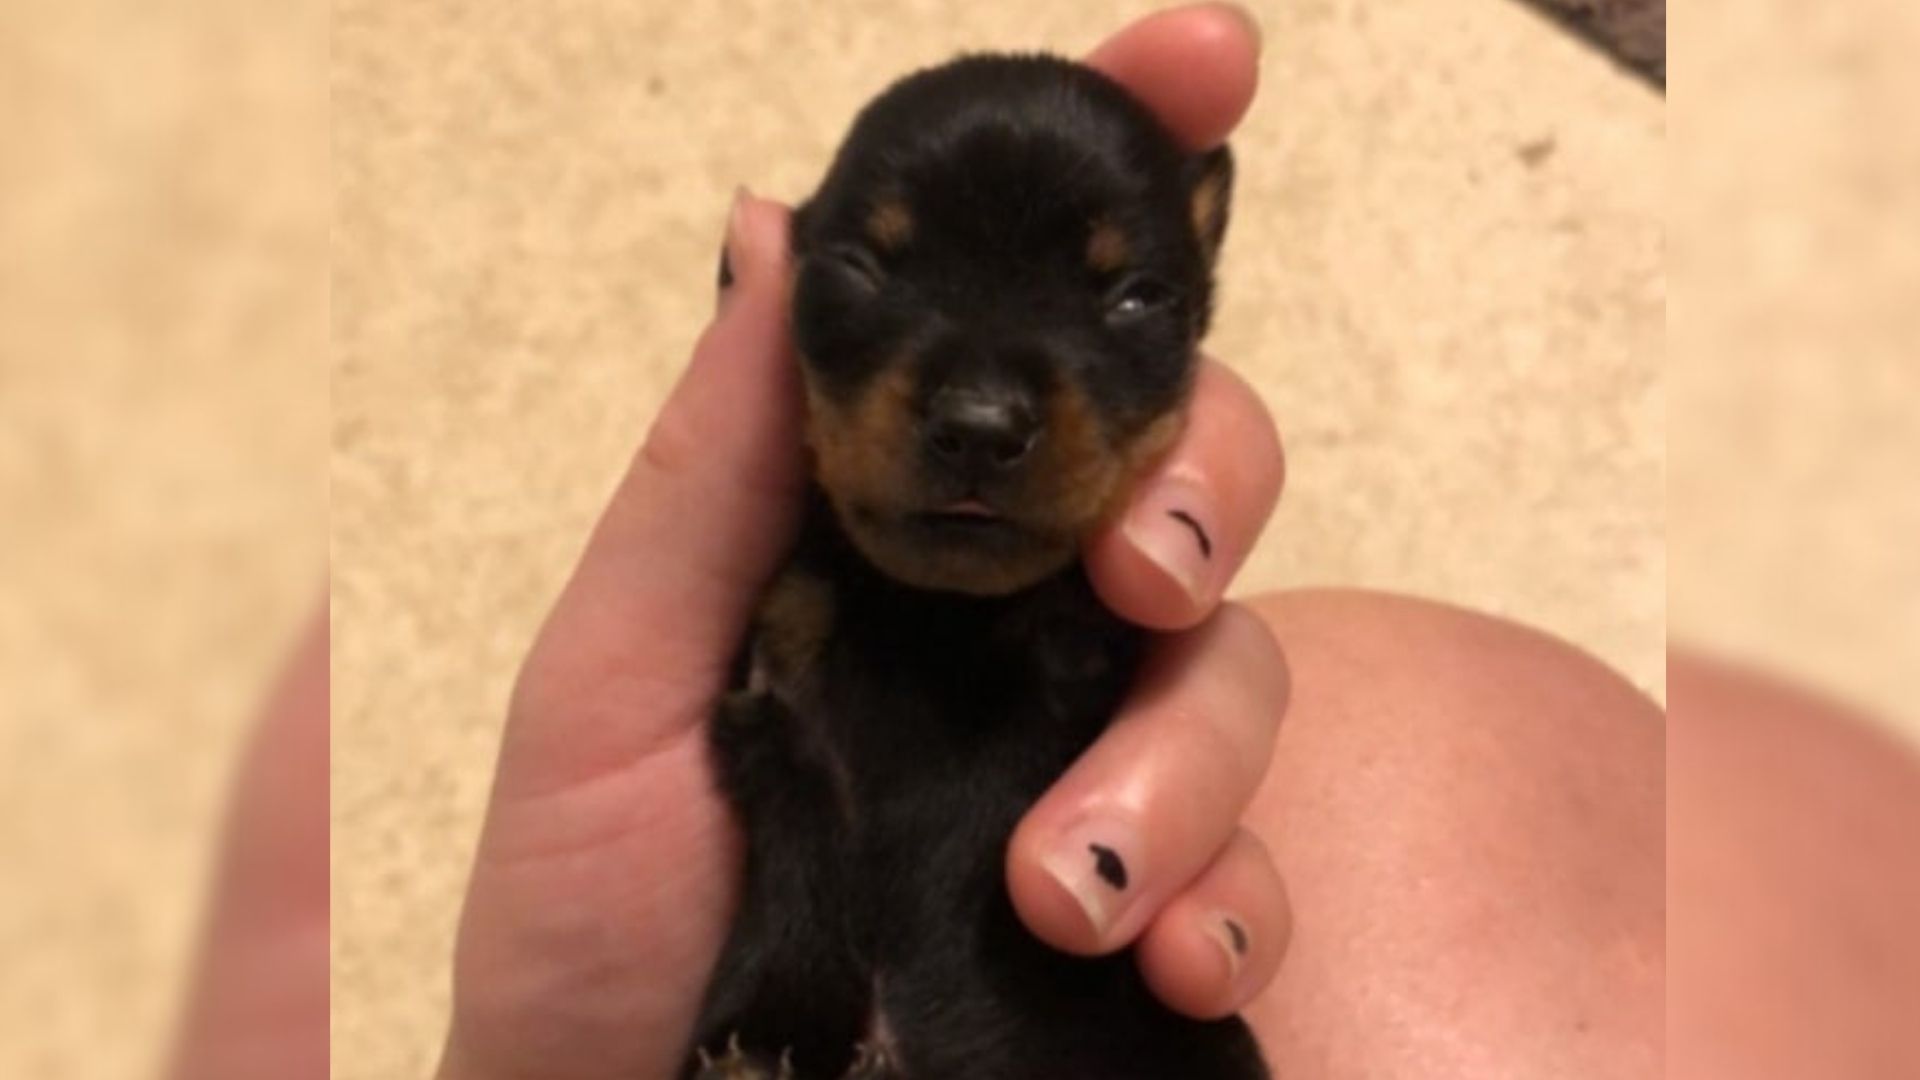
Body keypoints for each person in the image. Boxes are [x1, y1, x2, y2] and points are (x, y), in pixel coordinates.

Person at [427, 6, 1665, 1078]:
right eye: (864, 275)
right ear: (781, 274)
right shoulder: (752, 620)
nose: (980, 410)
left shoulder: (1120, 605)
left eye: (1129, 300)